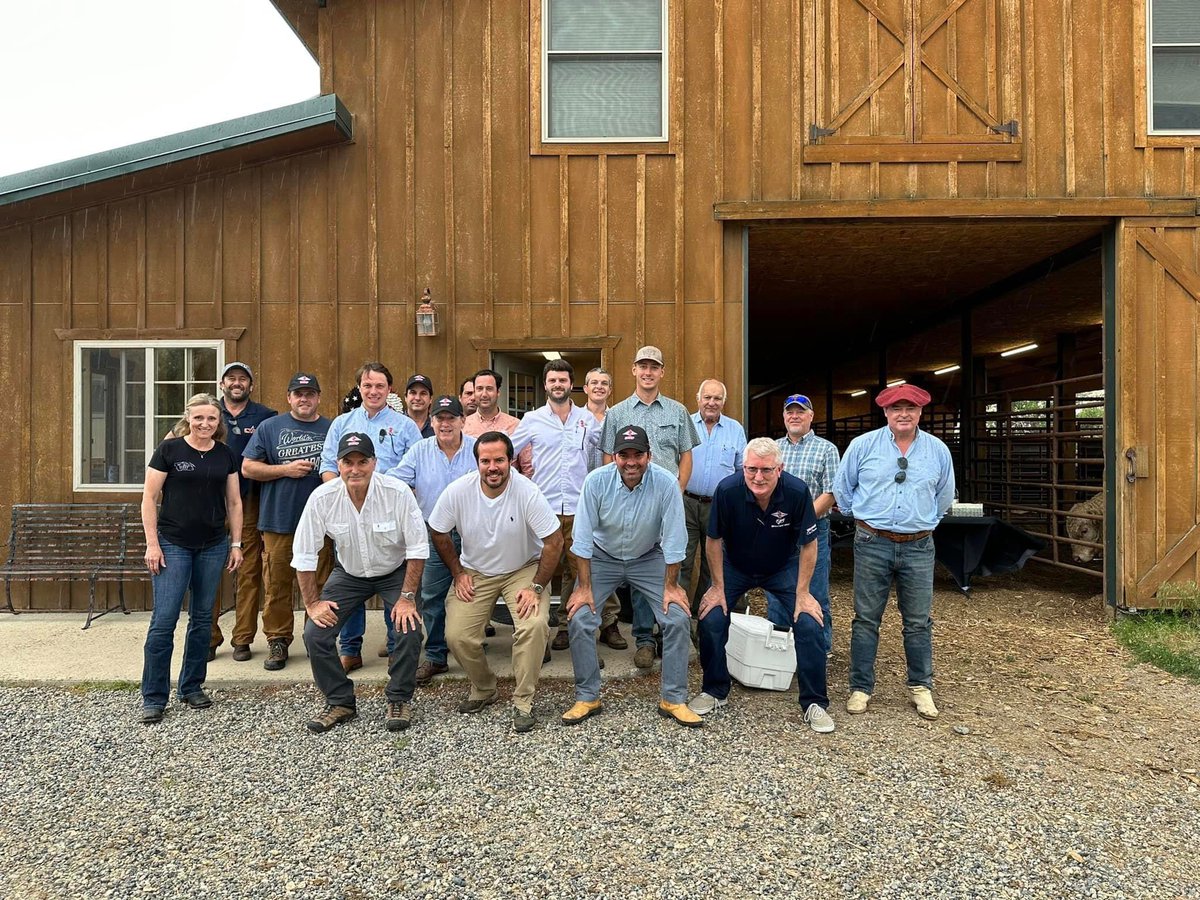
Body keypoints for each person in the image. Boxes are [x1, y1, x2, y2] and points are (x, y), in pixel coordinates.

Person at [690, 438, 834, 733]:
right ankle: (715, 689)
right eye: (751, 469)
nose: (758, 477)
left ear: (780, 469)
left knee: (809, 622)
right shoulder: (727, 490)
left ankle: (814, 702)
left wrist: (803, 593)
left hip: (782, 566)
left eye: (766, 470)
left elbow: (809, 544)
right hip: (736, 566)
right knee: (711, 617)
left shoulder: (797, 492)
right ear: (743, 467)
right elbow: (713, 540)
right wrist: (716, 586)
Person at [562, 425, 699, 728]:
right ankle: (587, 696)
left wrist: (671, 586)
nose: (631, 462)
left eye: (638, 454)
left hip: (648, 557)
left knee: (677, 618)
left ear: (649, 456)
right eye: (624, 455)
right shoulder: (596, 481)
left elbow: (675, 539)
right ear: (615, 457)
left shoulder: (666, 483)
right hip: (602, 557)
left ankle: (673, 699)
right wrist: (584, 587)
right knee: (580, 618)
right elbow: (581, 539)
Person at [833, 383, 955, 721]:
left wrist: (924, 521)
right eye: (896, 408)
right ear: (885, 412)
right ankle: (860, 687)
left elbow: (945, 495)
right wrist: (860, 516)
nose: (904, 414)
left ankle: (921, 686)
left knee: (918, 621)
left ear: (920, 412)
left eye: (910, 408)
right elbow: (843, 488)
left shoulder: (937, 450)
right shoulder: (863, 446)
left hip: (918, 544)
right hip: (873, 542)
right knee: (866, 618)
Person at [428, 432, 563, 734]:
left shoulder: (527, 492)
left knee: (533, 625)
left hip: (523, 568)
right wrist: (457, 572)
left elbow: (554, 541)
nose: (493, 467)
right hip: (475, 571)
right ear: (476, 462)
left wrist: (536, 587)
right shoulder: (458, 491)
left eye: (499, 460)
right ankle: (484, 687)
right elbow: (438, 531)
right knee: (457, 635)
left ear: (510, 461)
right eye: (485, 460)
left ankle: (523, 701)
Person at [294, 432, 429, 733]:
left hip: (395, 572)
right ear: (338, 465)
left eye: (362, 462)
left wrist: (407, 597)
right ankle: (339, 701)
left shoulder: (396, 492)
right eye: (348, 462)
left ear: (374, 463)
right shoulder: (322, 498)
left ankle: (399, 698)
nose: (355, 469)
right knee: (315, 633)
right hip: (349, 574)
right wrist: (312, 604)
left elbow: (418, 548)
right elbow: (304, 554)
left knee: (408, 629)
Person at [139, 393, 244, 724]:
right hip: (173, 545)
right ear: (188, 418)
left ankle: (192, 686)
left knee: (202, 619)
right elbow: (149, 498)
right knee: (164, 621)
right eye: (198, 417)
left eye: (211, 418)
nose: (205, 423)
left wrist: (236, 544)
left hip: (212, 546)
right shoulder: (169, 450)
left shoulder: (225, 455)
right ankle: (154, 696)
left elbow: (234, 502)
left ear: (219, 421)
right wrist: (152, 544)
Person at [599, 346, 699, 668]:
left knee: (674, 563)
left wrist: (676, 491)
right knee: (641, 565)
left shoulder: (678, 411)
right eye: (642, 366)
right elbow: (608, 457)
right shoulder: (617, 413)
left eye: (654, 367)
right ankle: (644, 639)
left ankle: (669, 634)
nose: (648, 372)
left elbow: (686, 455)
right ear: (634, 370)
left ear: (661, 372)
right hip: (632, 504)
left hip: (668, 504)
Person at [319, 361, 423, 673]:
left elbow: (416, 469)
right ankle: (350, 650)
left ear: (390, 389)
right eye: (367, 385)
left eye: (379, 386)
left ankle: (395, 647)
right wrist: (342, 496)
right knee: (350, 578)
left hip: (391, 516)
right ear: (359, 388)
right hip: (350, 514)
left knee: (395, 581)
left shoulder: (406, 426)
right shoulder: (342, 424)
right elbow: (328, 466)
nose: (373, 391)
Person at [241, 373, 333, 671]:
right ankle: (278, 640)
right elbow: (248, 468)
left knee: (320, 584)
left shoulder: (332, 428)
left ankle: (315, 638)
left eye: (310, 393)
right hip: (278, 520)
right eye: (298, 394)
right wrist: (285, 469)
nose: (304, 398)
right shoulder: (270, 427)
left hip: (321, 523)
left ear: (318, 397)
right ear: (289, 398)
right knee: (277, 584)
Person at [509, 359, 602, 653]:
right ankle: (539, 639)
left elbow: (606, 451)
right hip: (543, 509)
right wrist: (516, 489)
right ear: (545, 384)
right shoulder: (532, 419)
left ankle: (572, 632)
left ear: (571, 384)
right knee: (541, 572)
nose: (558, 385)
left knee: (580, 574)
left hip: (579, 509)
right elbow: (507, 452)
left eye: (562, 380)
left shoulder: (587, 419)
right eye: (553, 380)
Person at [388, 395, 477, 684]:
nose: (445, 424)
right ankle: (437, 656)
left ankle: (474, 650)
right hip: (435, 534)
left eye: (452, 418)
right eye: (440, 418)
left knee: (480, 591)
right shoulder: (419, 450)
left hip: (475, 533)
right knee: (431, 596)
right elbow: (395, 481)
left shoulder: (478, 448)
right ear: (432, 420)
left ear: (463, 420)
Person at [210, 362, 276, 662]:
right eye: (231, 378)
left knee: (248, 571)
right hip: (210, 501)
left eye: (242, 379)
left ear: (251, 385)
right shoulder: (208, 412)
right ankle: (208, 638)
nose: (237, 383)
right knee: (208, 571)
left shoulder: (265, 417)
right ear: (222, 384)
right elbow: (173, 444)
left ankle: (243, 638)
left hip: (249, 501)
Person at [777, 392, 840, 654]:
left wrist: (801, 520)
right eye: (790, 411)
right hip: (777, 531)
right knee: (777, 592)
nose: (795, 416)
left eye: (800, 411)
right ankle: (778, 650)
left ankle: (818, 651)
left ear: (811, 416)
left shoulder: (826, 449)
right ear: (784, 416)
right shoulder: (772, 448)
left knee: (814, 592)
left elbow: (831, 492)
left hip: (813, 531)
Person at [682, 379, 747, 616]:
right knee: (682, 562)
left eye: (717, 398)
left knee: (713, 565)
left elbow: (742, 470)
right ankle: (679, 618)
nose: (712, 402)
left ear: (724, 401)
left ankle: (704, 618)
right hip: (686, 503)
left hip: (719, 506)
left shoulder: (735, 429)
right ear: (698, 399)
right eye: (707, 397)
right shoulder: (685, 424)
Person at [577, 366, 625, 649]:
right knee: (579, 559)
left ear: (609, 389)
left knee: (607, 558)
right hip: (579, 499)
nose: (598, 387)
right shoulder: (574, 419)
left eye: (604, 383)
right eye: (593, 382)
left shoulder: (617, 418)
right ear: (585, 388)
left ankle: (609, 622)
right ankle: (572, 620)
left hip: (610, 499)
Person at [462, 368, 533, 475]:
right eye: (479, 389)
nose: (484, 394)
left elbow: (528, 468)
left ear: (498, 392)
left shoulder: (516, 425)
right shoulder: (463, 426)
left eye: (489, 389)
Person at [405, 373, 435, 438]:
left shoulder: (437, 427)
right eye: (413, 393)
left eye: (423, 393)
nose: (417, 398)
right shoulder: (396, 425)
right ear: (406, 397)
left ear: (430, 399)